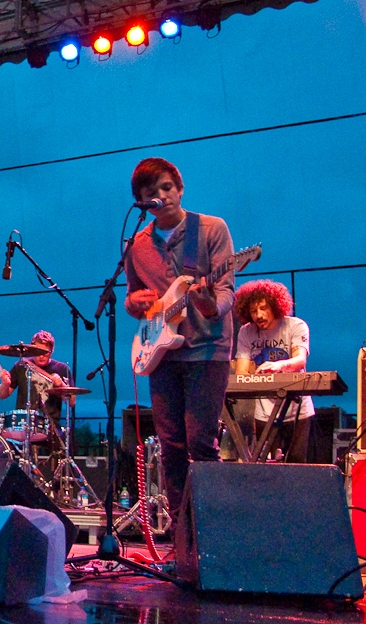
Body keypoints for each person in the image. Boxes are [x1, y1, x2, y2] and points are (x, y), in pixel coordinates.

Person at [123, 157, 235, 529]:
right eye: (152, 193)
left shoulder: (211, 229)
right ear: (141, 201)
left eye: (167, 188)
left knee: (201, 443)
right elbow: (133, 297)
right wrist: (133, 304)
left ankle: (212, 530)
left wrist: (208, 304)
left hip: (207, 348)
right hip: (161, 352)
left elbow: (225, 293)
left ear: (180, 188)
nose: (163, 196)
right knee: (170, 446)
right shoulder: (136, 245)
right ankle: (181, 532)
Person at [233, 279, 314, 463]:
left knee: (297, 466)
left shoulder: (295, 326)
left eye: (263, 308)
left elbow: (300, 360)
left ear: (276, 306)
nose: (258, 315)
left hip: (297, 411)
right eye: (254, 311)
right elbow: (241, 375)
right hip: (264, 413)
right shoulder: (246, 332)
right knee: (267, 469)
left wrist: (279, 365)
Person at [0, 330, 74, 448]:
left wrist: (62, 385)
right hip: (24, 423)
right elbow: (2, 395)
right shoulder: (21, 366)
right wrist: (5, 384)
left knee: (63, 444)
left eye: (45, 353)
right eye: (38, 352)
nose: (41, 356)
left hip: (50, 425)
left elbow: (72, 402)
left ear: (51, 351)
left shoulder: (62, 369)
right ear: (32, 349)